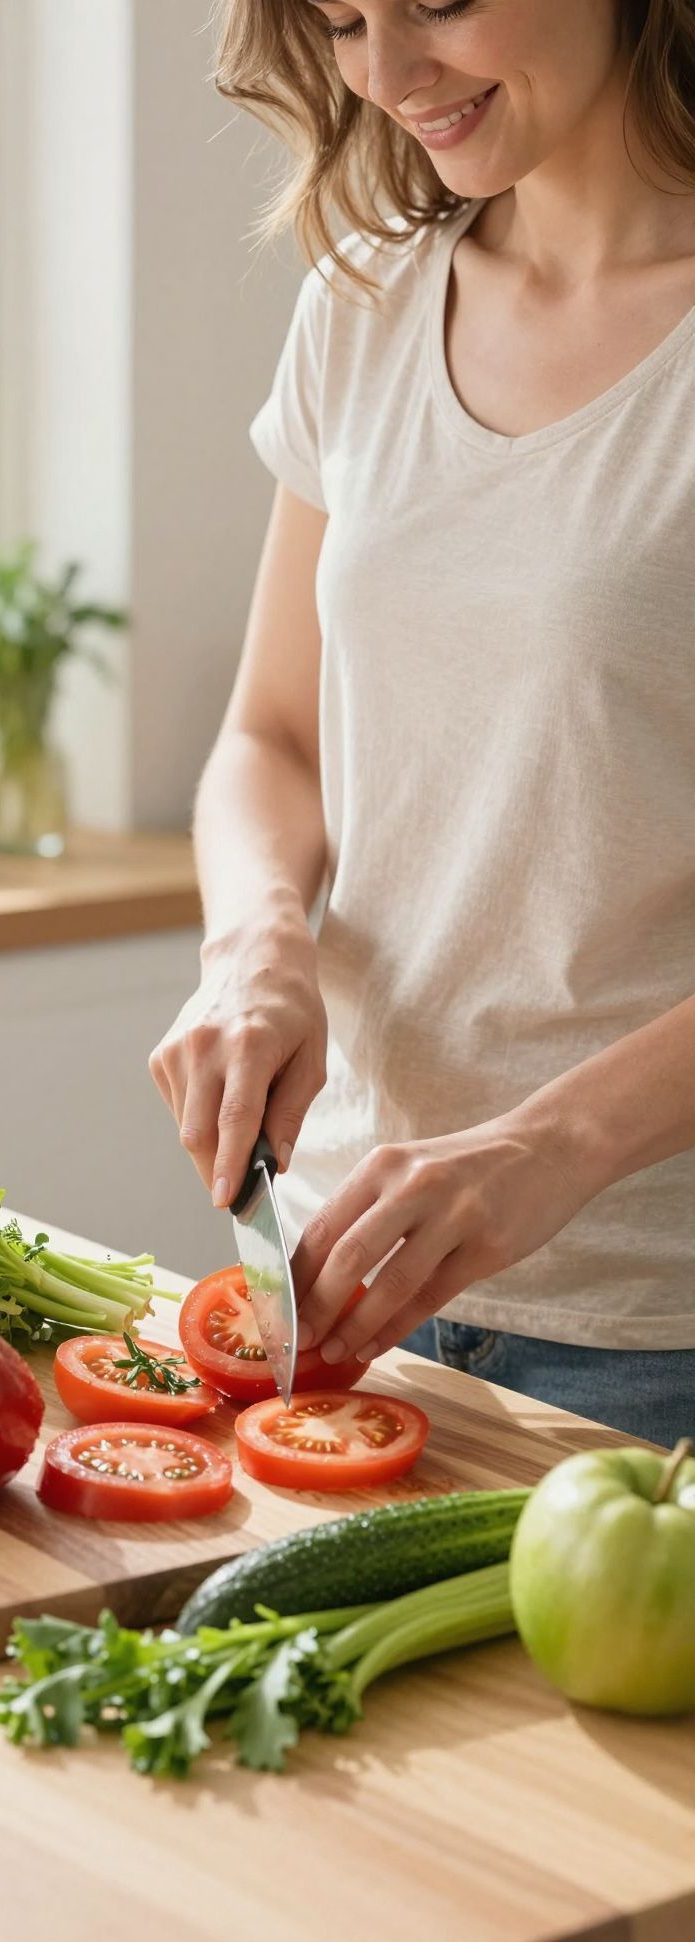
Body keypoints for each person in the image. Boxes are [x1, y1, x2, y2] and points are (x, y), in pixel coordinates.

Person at [150, 0, 695, 1443]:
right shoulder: (368, 301)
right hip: (345, 1278)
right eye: (340, 21)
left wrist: (543, 1146)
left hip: (655, 1331)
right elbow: (272, 734)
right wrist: (255, 942)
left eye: (440, 3)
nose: (387, 77)